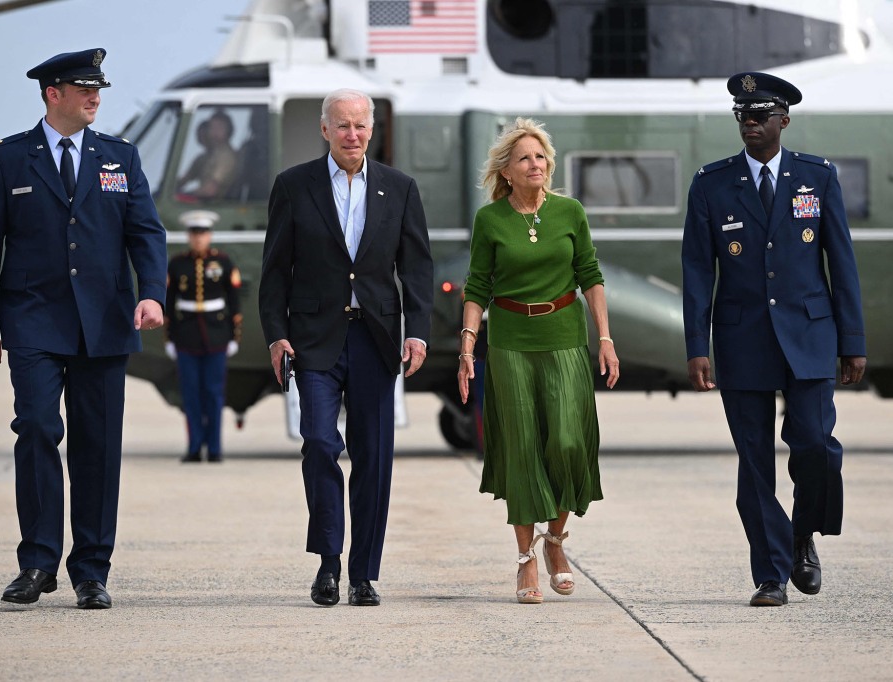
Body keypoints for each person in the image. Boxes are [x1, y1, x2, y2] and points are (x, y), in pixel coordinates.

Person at [0, 48, 167, 610]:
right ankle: (36, 562)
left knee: (98, 447)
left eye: (98, 88)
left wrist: (151, 293)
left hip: (103, 322)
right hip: (31, 318)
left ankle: (90, 571)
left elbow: (146, 234)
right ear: (53, 94)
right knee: (35, 427)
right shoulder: (8, 159)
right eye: (84, 89)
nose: (95, 98)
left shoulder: (120, 156)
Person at [682, 72, 866, 607]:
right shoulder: (712, 184)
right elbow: (697, 269)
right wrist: (698, 344)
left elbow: (842, 262)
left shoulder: (818, 177)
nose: (750, 125)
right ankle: (770, 574)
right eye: (743, 116)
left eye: (760, 116)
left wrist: (851, 339)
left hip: (809, 334)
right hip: (742, 340)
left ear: (783, 120)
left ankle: (802, 533)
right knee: (754, 460)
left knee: (815, 445)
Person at [259, 88, 433, 607]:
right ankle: (328, 561)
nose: (351, 134)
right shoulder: (293, 186)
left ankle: (363, 574)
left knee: (374, 457)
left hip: (376, 338)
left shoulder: (399, 188)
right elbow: (274, 271)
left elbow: (417, 268)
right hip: (313, 339)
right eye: (342, 126)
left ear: (371, 129)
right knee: (318, 442)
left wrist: (418, 330)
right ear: (324, 129)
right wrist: (275, 333)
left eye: (359, 125)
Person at [457, 117, 620, 604]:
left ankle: (556, 541)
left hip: (565, 337)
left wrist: (605, 338)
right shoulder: (491, 220)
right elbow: (477, 286)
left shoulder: (570, 212)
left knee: (568, 442)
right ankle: (527, 561)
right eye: (525, 157)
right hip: (509, 342)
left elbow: (589, 273)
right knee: (524, 449)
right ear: (506, 170)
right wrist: (467, 345)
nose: (537, 164)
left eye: (542, 156)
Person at [164, 210, 243, 463]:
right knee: (190, 394)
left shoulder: (223, 261)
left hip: (216, 335)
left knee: (214, 393)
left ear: (209, 236)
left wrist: (233, 336)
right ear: (189, 237)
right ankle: (195, 447)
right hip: (186, 337)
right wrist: (170, 339)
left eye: (203, 234)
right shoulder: (177, 264)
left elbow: (234, 302)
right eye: (194, 234)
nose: (199, 239)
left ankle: (215, 447)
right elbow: (169, 304)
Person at [176, 110, 239, 201]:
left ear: (229, 130)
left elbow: (210, 190)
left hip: (214, 205)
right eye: (212, 127)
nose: (215, 132)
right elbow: (186, 178)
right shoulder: (209, 155)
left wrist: (184, 196)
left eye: (220, 127)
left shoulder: (226, 156)